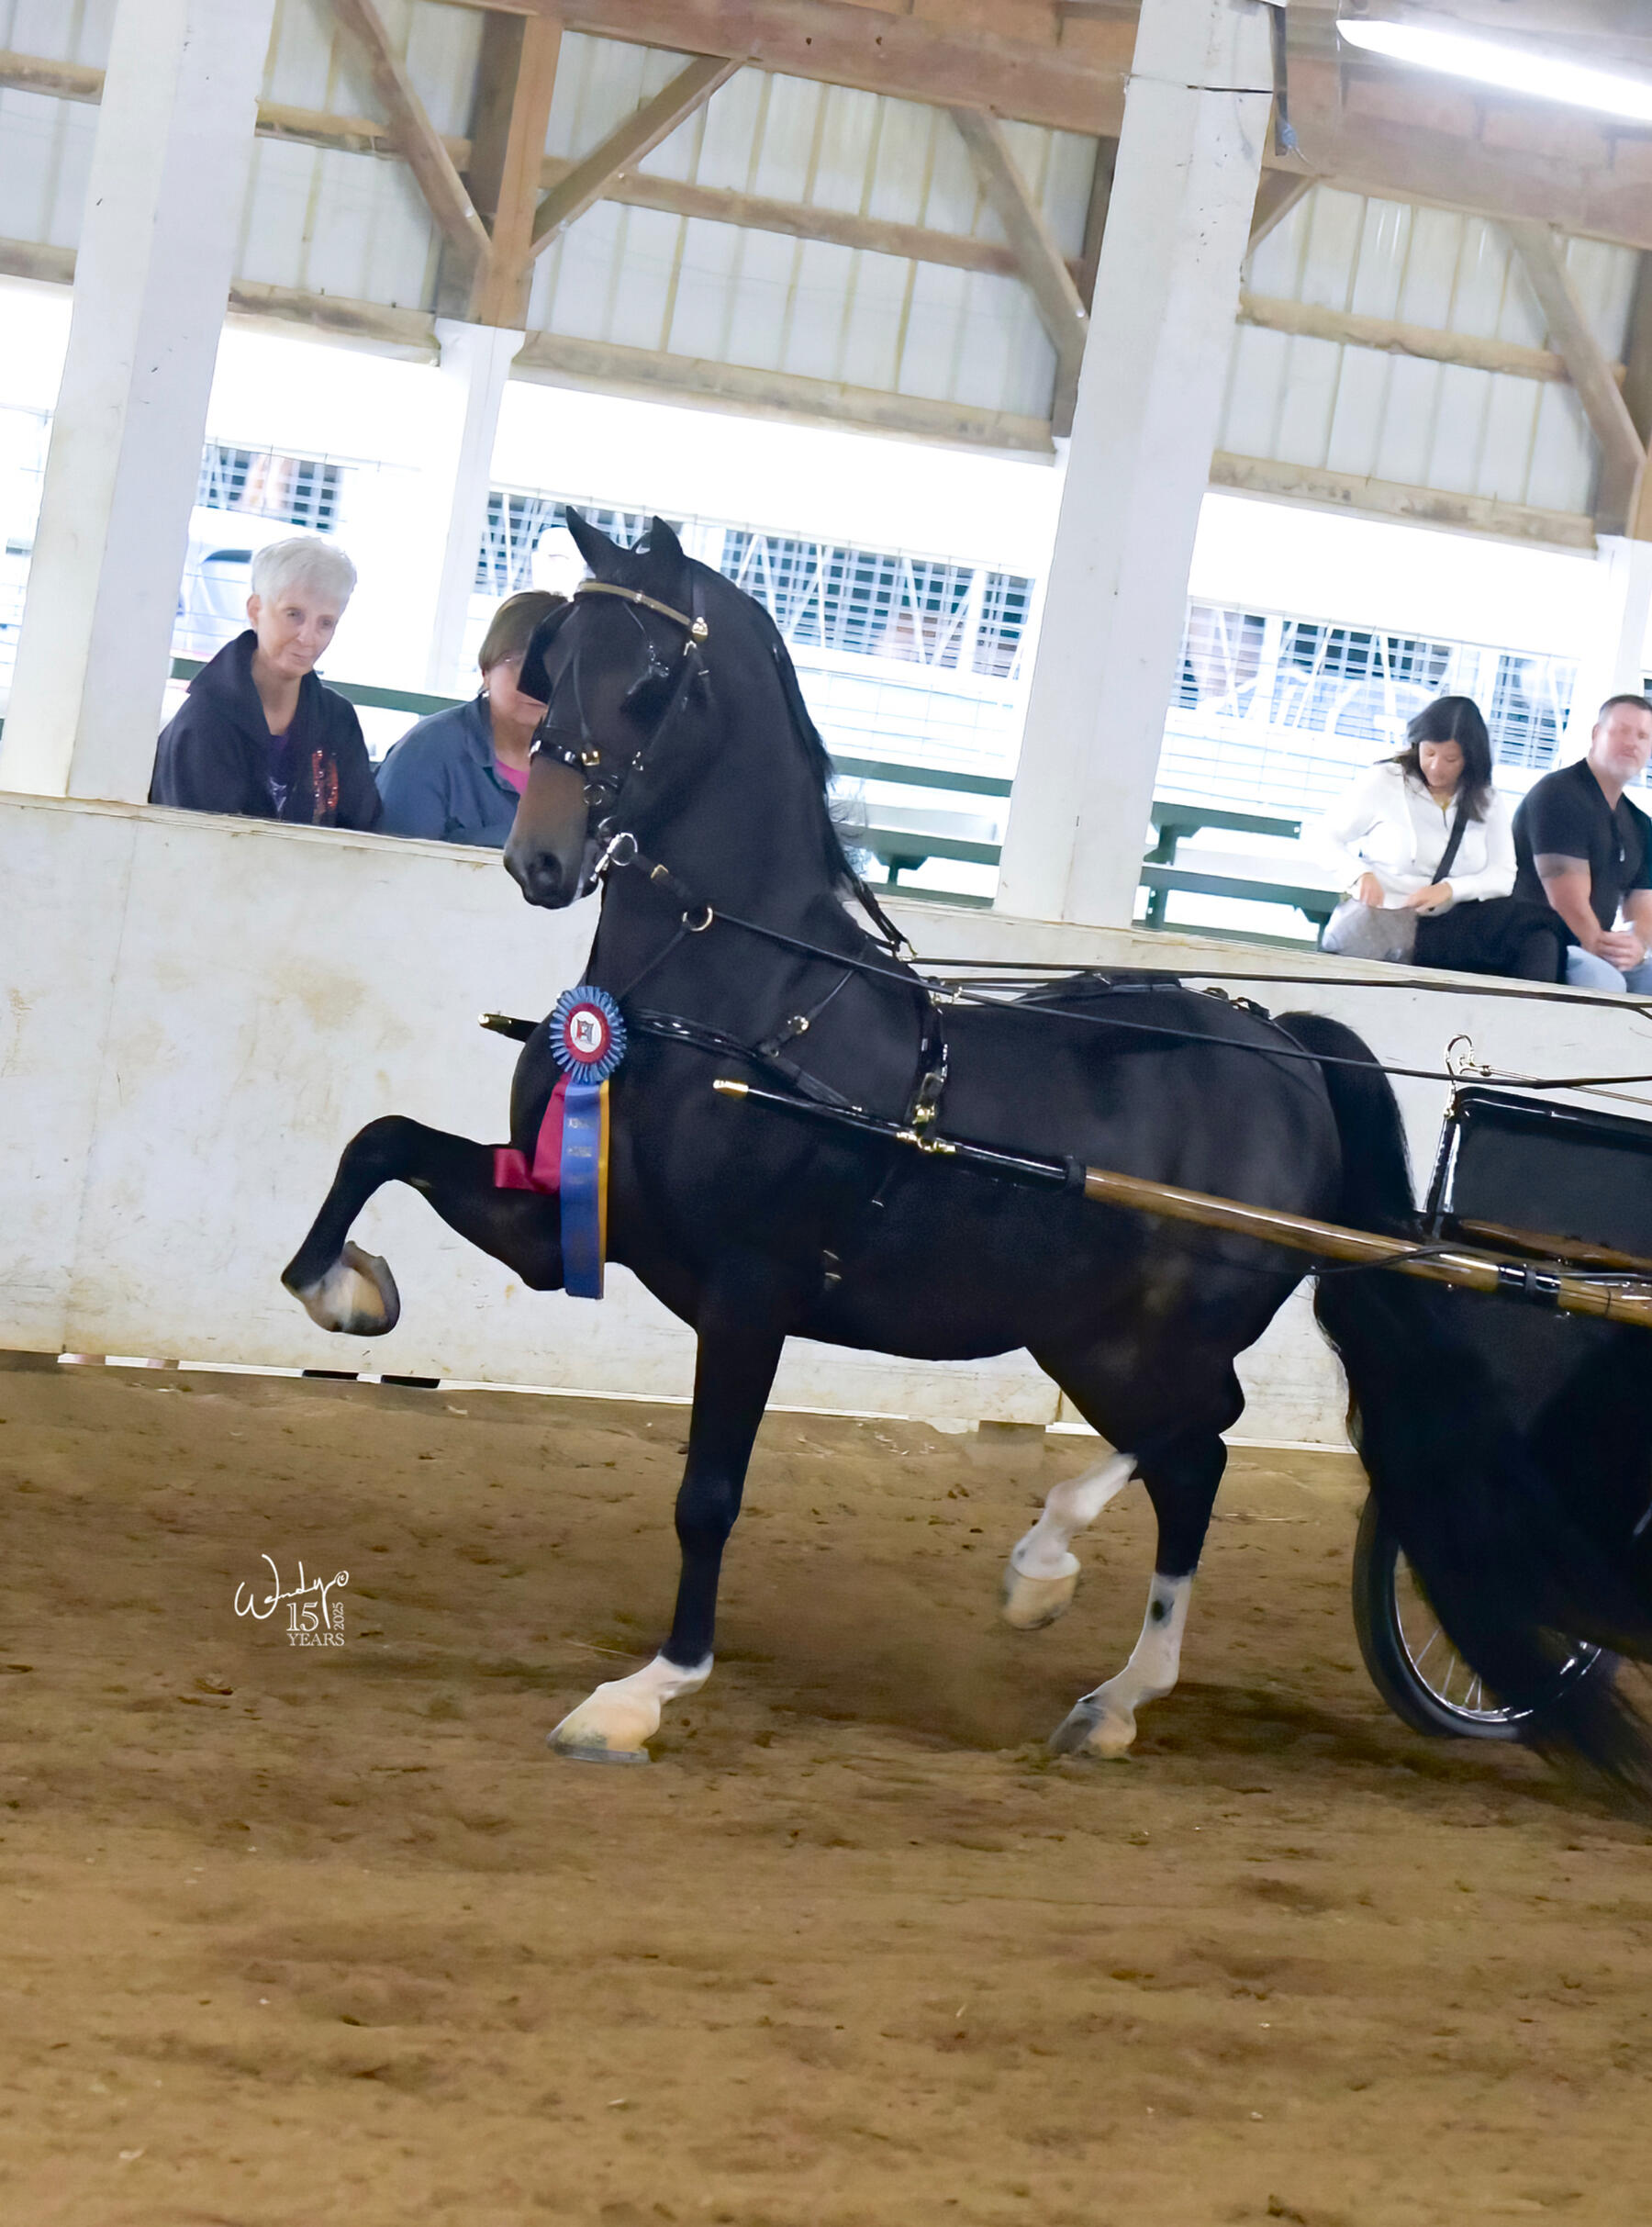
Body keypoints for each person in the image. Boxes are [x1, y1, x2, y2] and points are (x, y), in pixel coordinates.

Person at [1314, 696, 1561, 980]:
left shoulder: (1487, 799)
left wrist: (1450, 889)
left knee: (1539, 930)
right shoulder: (1385, 781)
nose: (1435, 766)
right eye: (1429, 753)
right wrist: (1359, 874)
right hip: (1389, 922)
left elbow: (1503, 875)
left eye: (1450, 759)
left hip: (1455, 928)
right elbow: (1323, 837)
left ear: (1470, 758)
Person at [150, 535, 380, 828]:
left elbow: (364, 833)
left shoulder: (338, 719)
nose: (308, 637)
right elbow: (191, 844)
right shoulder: (203, 721)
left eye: (326, 623)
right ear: (255, 610)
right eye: (294, 615)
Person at [375, 590, 564, 845]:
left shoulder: (583, 766)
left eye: (552, 665)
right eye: (516, 661)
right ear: (486, 670)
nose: (533, 683)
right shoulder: (428, 749)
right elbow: (395, 861)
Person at [1512, 694, 1652, 995]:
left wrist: (1636, 946)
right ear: (1596, 734)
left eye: (1642, 736)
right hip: (1541, 943)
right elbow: (1566, 899)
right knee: (1605, 982)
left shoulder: (1640, 823)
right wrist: (1600, 946)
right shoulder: (1557, 795)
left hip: (1595, 947)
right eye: (1621, 731)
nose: (1632, 743)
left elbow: (1643, 905)